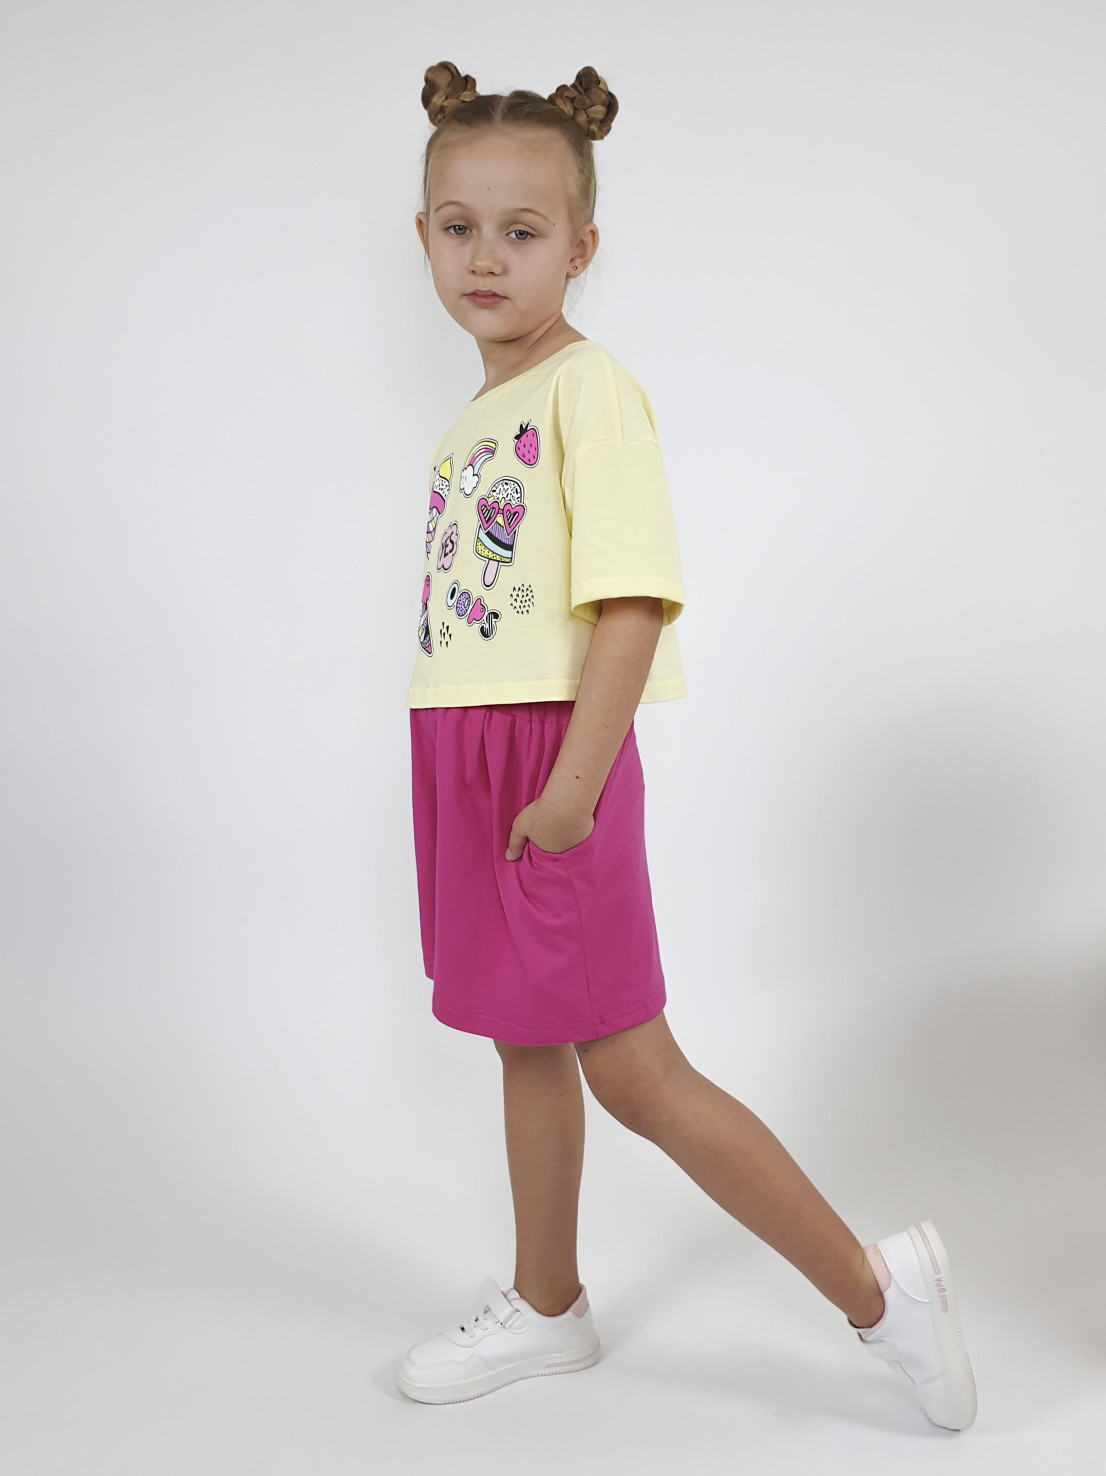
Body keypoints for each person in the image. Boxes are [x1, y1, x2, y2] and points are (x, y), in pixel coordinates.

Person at [396, 59, 978, 1432]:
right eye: (458, 227)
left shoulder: (588, 391)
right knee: (521, 1040)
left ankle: (878, 1293)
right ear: (420, 236)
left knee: (632, 1069)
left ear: (580, 247)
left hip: (553, 764)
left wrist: (569, 792)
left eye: (522, 230)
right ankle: (549, 1303)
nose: (486, 257)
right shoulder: (477, 416)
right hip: (468, 758)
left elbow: (632, 602)